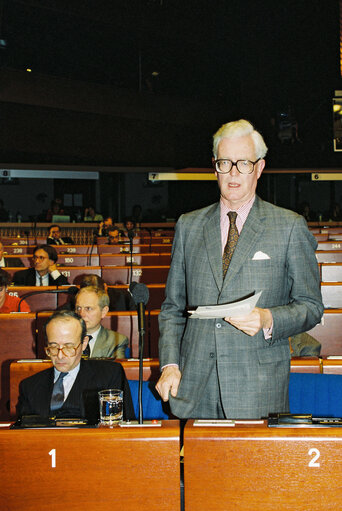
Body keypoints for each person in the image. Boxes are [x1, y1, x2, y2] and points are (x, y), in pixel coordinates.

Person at [156, 119, 323, 420]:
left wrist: (268, 318)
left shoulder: (289, 226)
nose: (233, 172)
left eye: (243, 163)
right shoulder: (189, 225)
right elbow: (172, 308)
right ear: (214, 166)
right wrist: (170, 365)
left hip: (257, 389)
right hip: (194, 387)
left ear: (259, 168)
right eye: (225, 162)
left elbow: (311, 307)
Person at [17, 310, 135, 422]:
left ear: (84, 343)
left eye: (68, 347)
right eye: (53, 347)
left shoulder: (110, 375)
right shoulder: (29, 386)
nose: (60, 355)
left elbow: (124, 427)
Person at [75, 286, 129, 358]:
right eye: (78, 308)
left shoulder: (116, 341)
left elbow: (114, 369)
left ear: (104, 311)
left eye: (88, 308)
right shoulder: (63, 336)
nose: (82, 314)